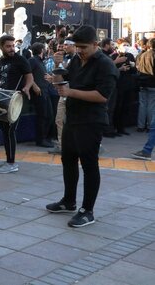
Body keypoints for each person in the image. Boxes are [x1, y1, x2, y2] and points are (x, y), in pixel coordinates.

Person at [46, 25, 118, 227]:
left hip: (91, 121)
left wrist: (70, 93)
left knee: (89, 164)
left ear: (96, 44)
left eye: (83, 47)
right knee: (68, 159)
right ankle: (69, 201)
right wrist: (57, 68)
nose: (79, 51)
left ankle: (88, 210)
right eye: (77, 47)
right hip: (73, 118)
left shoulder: (105, 65)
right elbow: (62, 84)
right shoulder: (77, 60)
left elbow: (102, 96)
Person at [0, 34, 33, 174]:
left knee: (10, 131)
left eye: (13, 46)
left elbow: (30, 77)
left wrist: (27, 88)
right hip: (1, 100)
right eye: (8, 46)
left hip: (15, 101)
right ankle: (8, 160)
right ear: (1, 47)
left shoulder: (20, 60)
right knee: (4, 130)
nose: (12, 49)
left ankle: (12, 163)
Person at [29, 42, 54, 148]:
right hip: (39, 92)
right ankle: (41, 139)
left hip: (45, 91)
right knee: (42, 115)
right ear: (41, 50)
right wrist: (34, 86)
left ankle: (46, 137)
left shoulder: (40, 61)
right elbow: (27, 74)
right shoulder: (33, 60)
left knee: (49, 114)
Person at [136, 38, 155, 133]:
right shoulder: (153, 55)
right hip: (152, 83)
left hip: (142, 82)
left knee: (142, 104)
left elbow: (138, 67)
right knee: (151, 105)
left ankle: (140, 125)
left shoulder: (142, 55)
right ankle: (149, 126)